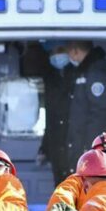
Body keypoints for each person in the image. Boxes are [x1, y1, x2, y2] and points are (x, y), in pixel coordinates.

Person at [61, 41, 106, 159]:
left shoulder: (96, 71)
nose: (68, 56)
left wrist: (91, 147)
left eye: (68, 52)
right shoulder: (85, 70)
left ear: (75, 51)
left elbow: (100, 113)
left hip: (97, 152)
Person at [20, 42, 74, 182]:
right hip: (57, 147)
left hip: (74, 145)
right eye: (53, 52)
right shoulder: (50, 77)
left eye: (60, 50)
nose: (56, 56)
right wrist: (45, 148)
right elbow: (51, 119)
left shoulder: (76, 76)